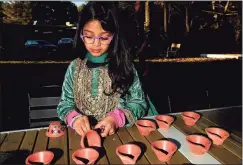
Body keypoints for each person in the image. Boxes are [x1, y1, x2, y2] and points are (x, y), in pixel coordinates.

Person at [57, 2, 158, 138]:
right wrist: (73, 118)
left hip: (123, 135)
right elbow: (65, 104)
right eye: (88, 36)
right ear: (80, 34)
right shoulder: (75, 67)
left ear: (114, 36)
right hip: (82, 138)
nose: (96, 43)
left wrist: (116, 119)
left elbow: (138, 103)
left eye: (104, 37)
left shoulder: (124, 65)